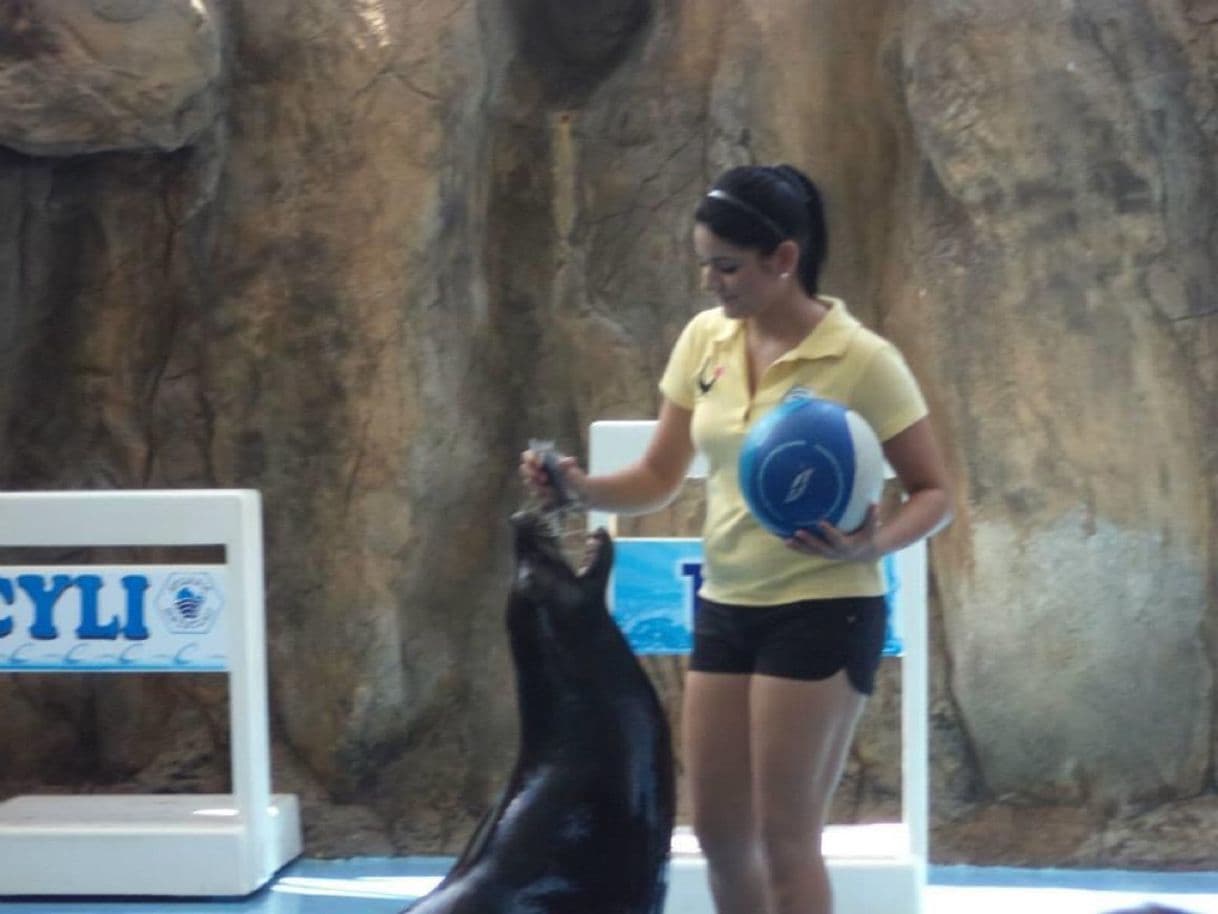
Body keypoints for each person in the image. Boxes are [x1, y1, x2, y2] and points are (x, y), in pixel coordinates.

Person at [519, 163, 953, 914]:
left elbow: (935, 493)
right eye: (705, 266)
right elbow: (658, 475)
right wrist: (577, 486)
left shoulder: (863, 360)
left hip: (824, 609)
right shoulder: (705, 343)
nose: (713, 284)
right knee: (719, 835)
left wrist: (868, 549)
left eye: (728, 267)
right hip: (726, 606)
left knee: (785, 837)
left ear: (783, 260)